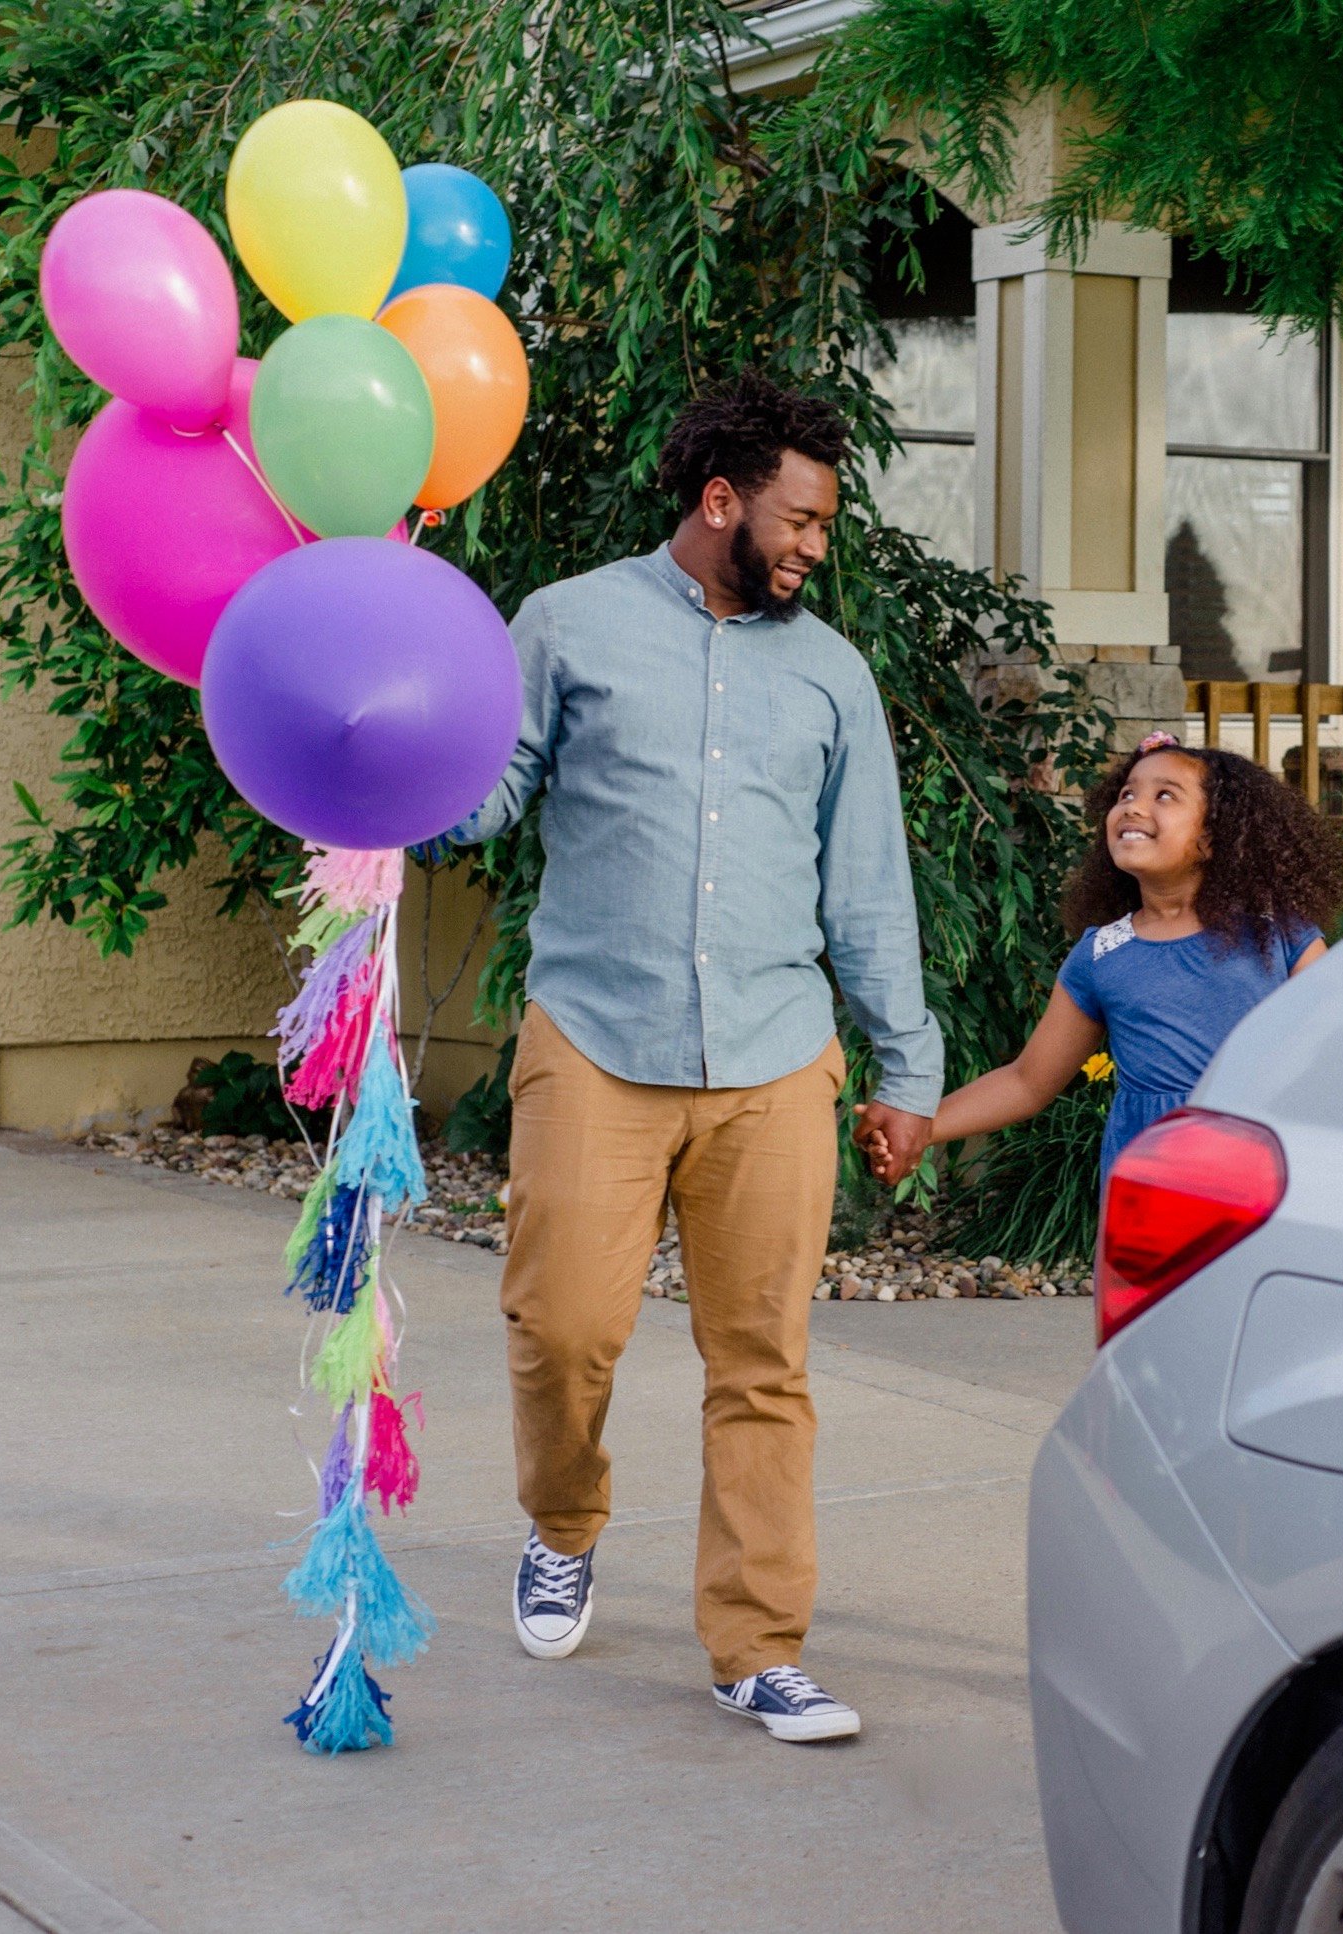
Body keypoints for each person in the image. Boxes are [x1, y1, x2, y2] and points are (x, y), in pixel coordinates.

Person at [452, 372, 941, 1745]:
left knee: (762, 1361)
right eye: (797, 519)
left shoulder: (832, 675)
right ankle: (563, 1520)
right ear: (720, 500)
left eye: (824, 526)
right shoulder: (566, 624)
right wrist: (387, 781)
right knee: (562, 1326)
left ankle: (758, 1642)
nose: (812, 546)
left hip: (777, 1057)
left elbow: (870, 889)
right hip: (596, 1044)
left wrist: (905, 1069)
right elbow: (485, 795)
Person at [863, 732, 1343, 1186]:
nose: (1133, 806)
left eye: (1164, 795)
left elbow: (1342, 1050)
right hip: (1149, 1181)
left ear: (1215, 836)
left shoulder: (1276, 934)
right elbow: (1027, 1082)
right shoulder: (1101, 953)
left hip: (1262, 1170)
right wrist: (920, 1126)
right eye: (1126, 795)